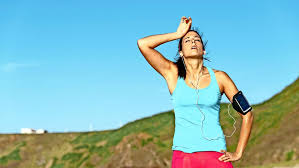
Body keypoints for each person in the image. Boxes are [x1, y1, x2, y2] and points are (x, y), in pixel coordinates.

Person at [137, 16, 254, 168]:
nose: (192, 41)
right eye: (187, 40)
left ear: (203, 50)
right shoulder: (172, 74)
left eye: (197, 40)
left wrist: (238, 152)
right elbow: (143, 44)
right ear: (181, 52)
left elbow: (247, 114)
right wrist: (177, 34)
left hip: (216, 155)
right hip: (183, 156)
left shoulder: (220, 77)